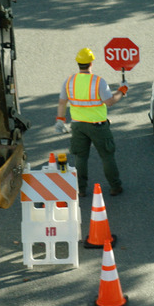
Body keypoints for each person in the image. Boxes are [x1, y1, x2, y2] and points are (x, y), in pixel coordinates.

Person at [56, 47, 129, 197]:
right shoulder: (98, 82)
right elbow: (109, 102)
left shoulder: (69, 81)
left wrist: (60, 120)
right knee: (107, 156)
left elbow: (62, 102)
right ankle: (115, 186)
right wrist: (122, 91)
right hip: (98, 126)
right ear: (91, 63)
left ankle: (81, 190)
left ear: (78, 63)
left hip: (77, 126)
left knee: (80, 157)